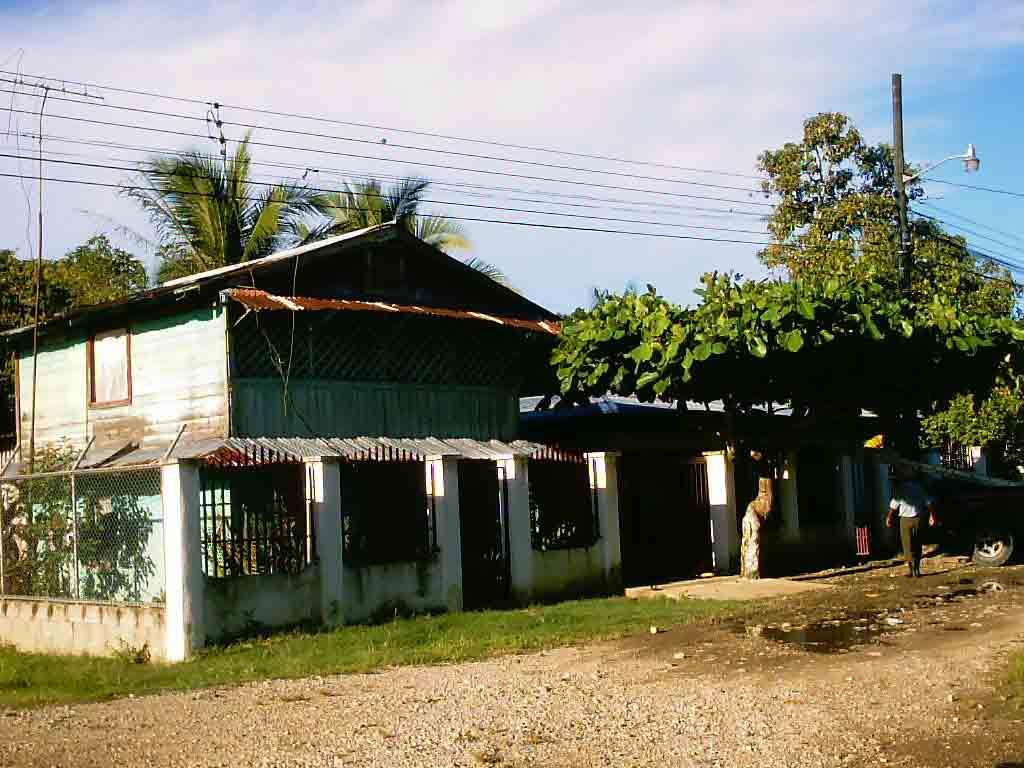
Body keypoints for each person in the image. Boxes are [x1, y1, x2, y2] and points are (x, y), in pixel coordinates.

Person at [886, 466, 935, 577]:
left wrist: (889, 517)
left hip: (905, 520)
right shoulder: (920, 488)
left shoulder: (901, 489)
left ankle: (910, 569)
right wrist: (933, 516)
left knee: (907, 545)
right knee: (917, 544)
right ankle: (917, 569)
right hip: (918, 518)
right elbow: (929, 503)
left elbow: (894, 505)